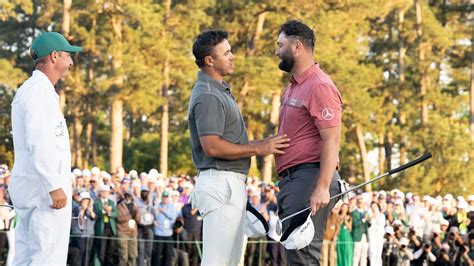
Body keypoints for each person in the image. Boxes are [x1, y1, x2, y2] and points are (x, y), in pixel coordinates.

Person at [188, 29, 289, 265]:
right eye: (226, 52)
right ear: (210, 60)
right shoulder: (209, 94)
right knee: (217, 262)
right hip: (220, 183)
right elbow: (212, 146)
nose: (232, 56)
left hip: (228, 183)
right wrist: (259, 147)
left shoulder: (218, 89)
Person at [274, 20, 343, 264]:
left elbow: (332, 137)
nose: (276, 51)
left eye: (280, 45)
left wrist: (322, 186)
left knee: (303, 255)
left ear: (296, 47)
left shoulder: (319, 86)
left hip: (310, 178)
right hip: (295, 179)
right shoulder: (293, 87)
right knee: (296, 254)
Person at [9, 31, 82, 265]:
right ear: (54, 56)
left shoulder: (32, 90)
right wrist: (53, 185)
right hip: (43, 190)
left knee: (26, 255)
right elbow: (39, 140)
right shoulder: (39, 92)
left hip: (32, 184)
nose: (71, 62)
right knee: (47, 257)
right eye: (68, 55)